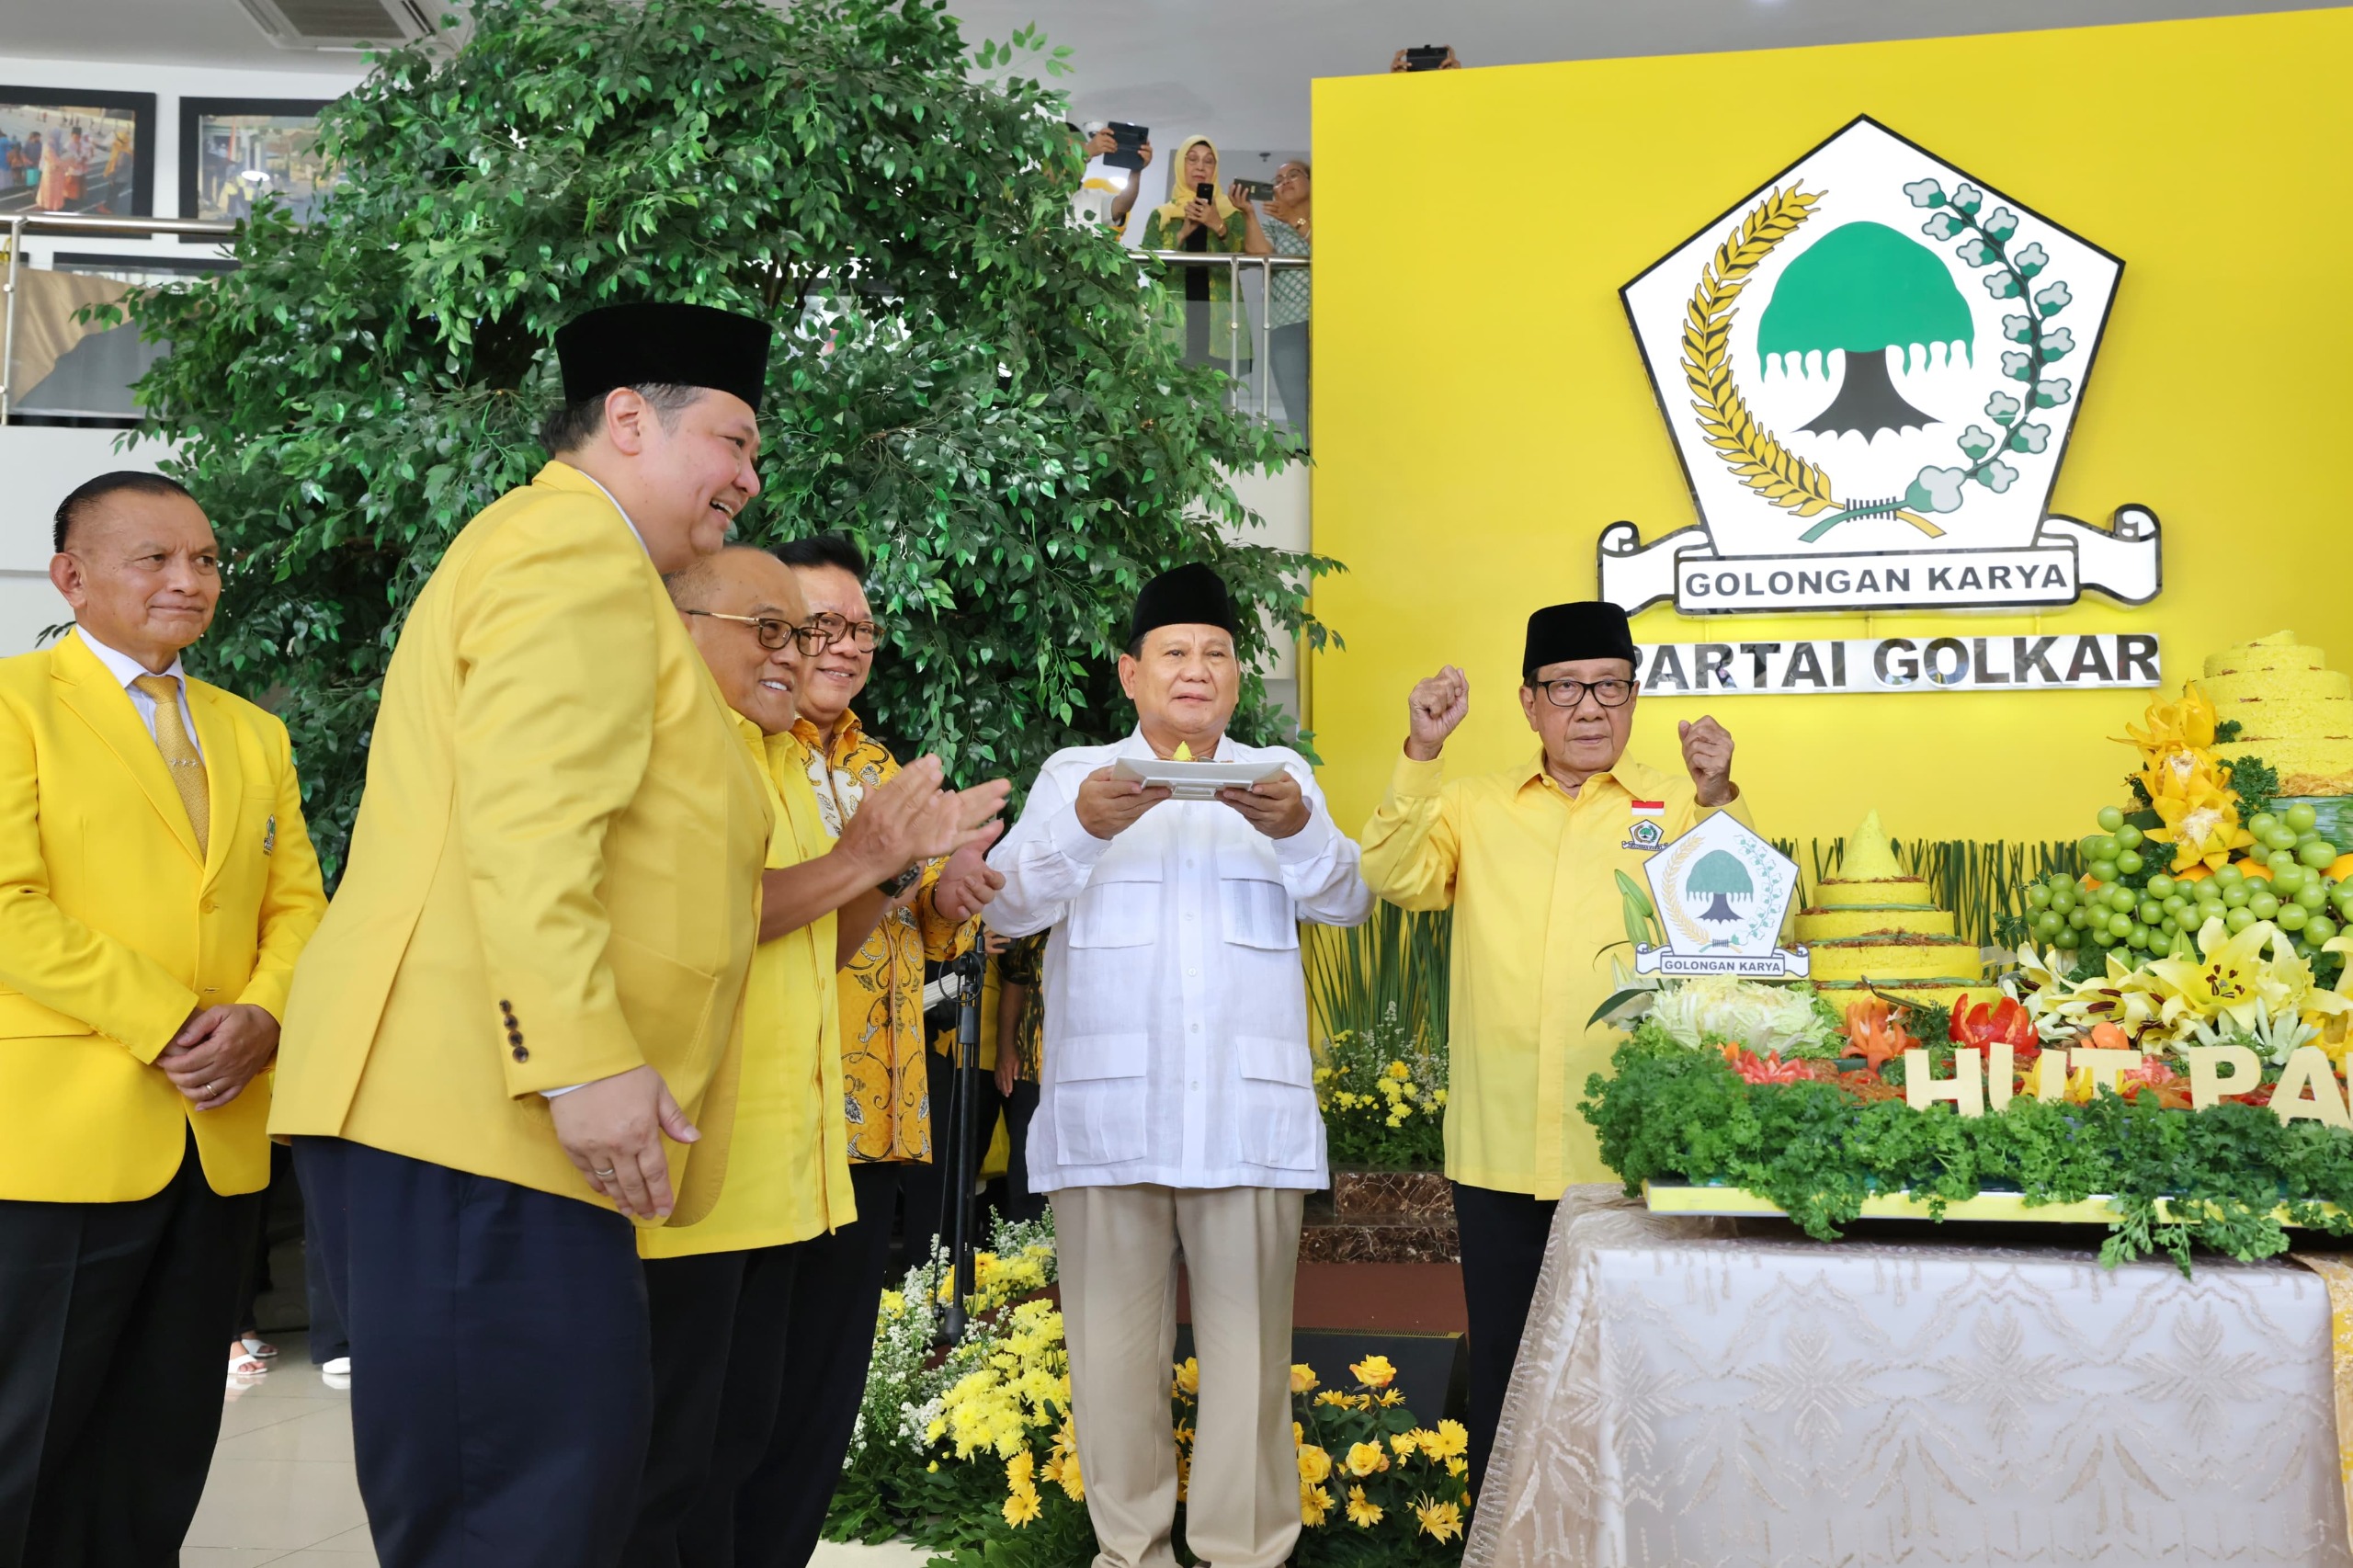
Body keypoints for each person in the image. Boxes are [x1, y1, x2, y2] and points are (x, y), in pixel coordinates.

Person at [270, 301, 779, 1568]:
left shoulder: (570, 554)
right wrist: (579, 1056)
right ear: (626, 421)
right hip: (477, 1113)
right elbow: (534, 822)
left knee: (550, 1494)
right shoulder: (573, 556)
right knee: (518, 1513)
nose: (748, 480)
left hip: (483, 1122)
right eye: (733, 439)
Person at [624, 546, 1007, 1567]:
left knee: (782, 1429)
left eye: (840, 631)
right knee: (684, 1451)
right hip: (715, 1138)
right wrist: (870, 861)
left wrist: (914, 884)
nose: (814, 651)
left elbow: (854, 931)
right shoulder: (693, 744)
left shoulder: (840, 766)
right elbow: (718, 915)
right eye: (791, 627)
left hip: (838, 1137)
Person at [988, 562, 1371, 1568]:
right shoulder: (1076, 777)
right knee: (1112, 1362)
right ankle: (1131, 1552)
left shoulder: (1279, 775)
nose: (1195, 670)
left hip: (1245, 1121)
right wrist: (1081, 832)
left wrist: (1296, 833)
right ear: (1130, 671)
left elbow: (1346, 897)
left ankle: (1246, 1552)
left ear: (1238, 675)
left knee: (1249, 1365)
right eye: (1174, 653)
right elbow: (1000, 908)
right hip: (1109, 1120)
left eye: (1215, 654)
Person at [0, 470, 328, 1567]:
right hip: (57, 1142)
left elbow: (302, 909)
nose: (189, 580)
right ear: (71, 575)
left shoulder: (252, 733)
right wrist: (180, 1018)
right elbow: (9, 905)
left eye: (206, 559)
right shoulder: (13, 703)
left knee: (161, 1439)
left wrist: (266, 1015)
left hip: (219, 1134)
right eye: (156, 558)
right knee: (25, 1436)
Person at [1358, 600, 1746, 1495]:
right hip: (1497, 1148)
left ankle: (1636, 1535)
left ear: (1634, 698)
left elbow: (1738, 926)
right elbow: (1394, 874)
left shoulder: (1677, 801)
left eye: (1608, 687)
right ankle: (1507, 1539)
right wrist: (1420, 753)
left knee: (1638, 1368)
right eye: (1565, 687)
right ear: (1528, 702)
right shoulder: (1472, 804)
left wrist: (1720, 795)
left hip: (1630, 1148)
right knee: (1505, 1366)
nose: (1587, 707)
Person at [1141, 136, 1252, 372]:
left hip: (1220, 323)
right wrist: (1181, 235)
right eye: (1192, 160)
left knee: (1218, 407)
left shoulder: (1231, 213)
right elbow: (1148, 270)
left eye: (1208, 161)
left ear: (1215, 169)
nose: (1200, 167)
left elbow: (1244, 259)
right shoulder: (1161, 217)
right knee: (1172, 406)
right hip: (1174, 323)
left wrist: (1217, 224)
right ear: (1181, 166)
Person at [1234, 159, 1311, 446]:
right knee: (1297, 408)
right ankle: (1308, 459)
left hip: (1331, 324)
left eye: (1293, 175)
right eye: (1278, 179)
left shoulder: (1329, 217)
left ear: (1312, 182)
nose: (1285, 181)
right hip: (1287, 327)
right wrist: (1248, 214)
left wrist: (1295, 218)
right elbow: (1257, 253)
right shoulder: (1275, 227)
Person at [1081, 125, 1152, 239]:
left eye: (1079, 152)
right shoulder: (1046, 192)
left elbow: (1122, 206)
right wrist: (1086, 153)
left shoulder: (1090, 197)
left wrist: (1136, 170)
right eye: (1071, 153)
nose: (1076, 159)